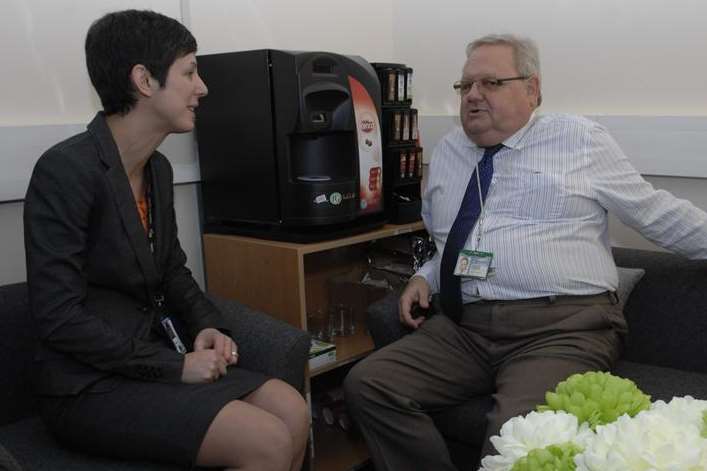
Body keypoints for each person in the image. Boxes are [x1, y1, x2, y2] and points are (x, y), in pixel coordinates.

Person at [344, 33, 707, 470]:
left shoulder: (578, 140)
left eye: (491, 83)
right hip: (468, 328)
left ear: (532, 89)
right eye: (465, 86)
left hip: (564, 326)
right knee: (369, 384)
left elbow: (657, 214)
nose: (473, 96)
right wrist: (426, 276)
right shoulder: (449, 153)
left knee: (515, 442)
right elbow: (453, 243)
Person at [23, 10, 308, 471]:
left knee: (292, 408)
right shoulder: (65, 172)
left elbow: (171, 269)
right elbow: (58, 318)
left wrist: (207, 327)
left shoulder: (157, 169)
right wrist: (173, 367)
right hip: (88, 385)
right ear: (144, 80)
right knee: (267, 441)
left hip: (151, 359)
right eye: (190, 72)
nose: (203, 88)